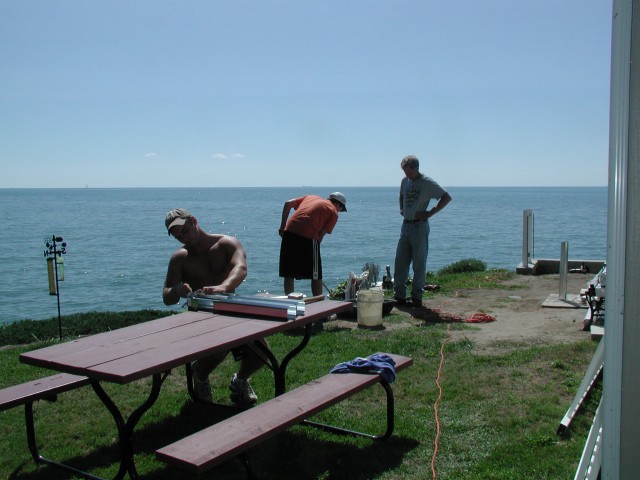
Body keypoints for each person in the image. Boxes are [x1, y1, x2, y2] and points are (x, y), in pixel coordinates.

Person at [162, 208, 266, 406]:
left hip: (230, 310)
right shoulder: (179, 258)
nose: (183, 238)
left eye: (184, 231)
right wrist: (177, 290)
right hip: (199, 317)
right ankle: (199, 376)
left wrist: (224, 287)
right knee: (219, 347)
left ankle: (240, 381)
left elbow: (241, 268)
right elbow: (166, 297)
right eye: (177, 237)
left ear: (193, 221)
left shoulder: (226, 243)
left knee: (261, 352)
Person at [394, 155, 452, 307]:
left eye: (410, 173)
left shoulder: (427, 182)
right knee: (401, 261)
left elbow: (446, 197)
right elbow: (401, 194)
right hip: (405, 225)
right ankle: (399, 296)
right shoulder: (404, 181)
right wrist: (401, 207)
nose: (408, 176)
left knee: (419, 263)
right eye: (405, 172)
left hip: (419, 226)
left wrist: (430, 213)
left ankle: (417, 297)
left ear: (416, 168)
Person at [278, 192, 347, 296]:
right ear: (338, 205)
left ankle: (290, 300)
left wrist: (282, 228)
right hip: (309, 237)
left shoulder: (311, 197)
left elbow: (288, 204)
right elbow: (320, 236)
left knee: (289, 273)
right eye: (341, 210)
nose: (339, 212)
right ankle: (318, 302)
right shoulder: (333, 212)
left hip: (289, 233)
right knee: (316, 275)